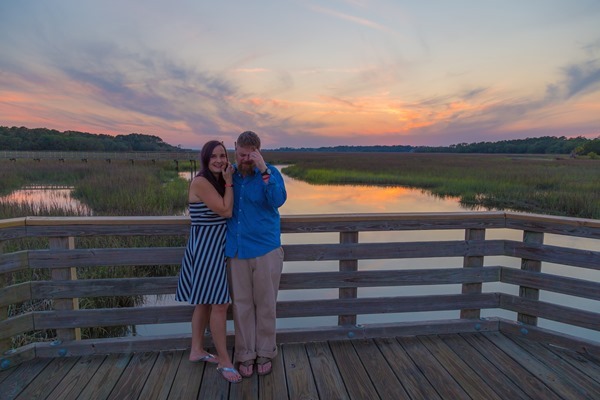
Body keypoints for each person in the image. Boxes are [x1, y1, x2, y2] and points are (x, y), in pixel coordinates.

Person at [175, 140, 242, 384]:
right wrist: (229, 181)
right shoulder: (201, 182)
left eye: (223, 155)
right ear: (205, 159)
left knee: (204, 303)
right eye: (213, 156)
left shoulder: (214, 180)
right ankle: (225, 361)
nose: (219, 160)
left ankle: (196, 350)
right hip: (205, 251)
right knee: (221, 304)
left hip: (210, 248)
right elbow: (225, 211)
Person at [225, 130, 287, 378]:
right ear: (235, 149)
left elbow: (278, 199)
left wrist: (263, 170)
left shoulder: (269, 173)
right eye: (241, 155)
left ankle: (265, 352)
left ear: (258, 152)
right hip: (237, 250)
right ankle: (245, 355)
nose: (245, 160)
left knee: (265, 305)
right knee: (241, 306)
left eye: (250, 156)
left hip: (265, 250)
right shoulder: (228, 174)